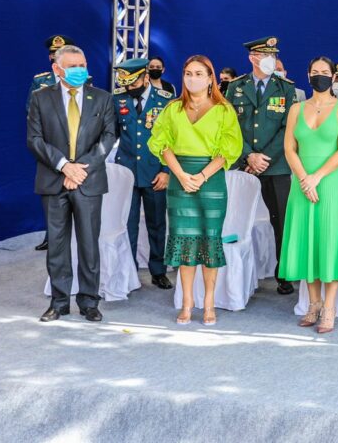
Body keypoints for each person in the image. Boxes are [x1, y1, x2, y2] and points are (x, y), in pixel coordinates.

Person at [149, 55, 242, 326]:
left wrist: (201, 176)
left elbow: (229, 150)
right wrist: (180, 175)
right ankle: (188, 301)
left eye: (199, 73)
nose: (193, 78)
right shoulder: (172, 108)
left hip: (210, 181)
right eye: (188, 73)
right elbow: (161, 143)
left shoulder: (225, 110)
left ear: (210, 77)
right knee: (184, 242)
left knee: (209, 242)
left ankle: (209, 302)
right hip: (180, 179)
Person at [28, 44, 115, 323]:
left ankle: (90, 302)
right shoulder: (40, 98)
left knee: (89, 244)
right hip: (54, 181)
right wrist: (65, 166)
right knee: (57, 245)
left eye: (83, 65)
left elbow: (108, 138)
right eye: (73, 66)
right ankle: (59, 302)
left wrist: (79, 170)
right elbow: (35, 140)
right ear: (57, 68)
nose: (80, 71)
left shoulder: (102, 98)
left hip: (88, 181)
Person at [280, 57, 338, 333]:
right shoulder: (296, 109)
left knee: (329, 241)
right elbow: (290, 148)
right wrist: (304, 178)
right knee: (308, 242)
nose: (320, 76)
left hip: (330, 182)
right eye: (315, 72)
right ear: (308, 75)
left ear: (333, 76)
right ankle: (313, 304)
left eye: (325, 72)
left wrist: (316, 177)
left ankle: (330, 307)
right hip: (301, 185)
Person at [226, 37, 300, 295]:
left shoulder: (286, 89)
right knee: (235, 218)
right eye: (264, 54)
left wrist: (262, 157)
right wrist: (248, 156)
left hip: (276, 165)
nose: (270, 58)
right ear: (252, 57)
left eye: (273, 54)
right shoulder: (235, 87)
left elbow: (288, 130)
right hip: (244, 164)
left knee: (282, 221)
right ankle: (233, 271)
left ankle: (285, 272)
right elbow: (230, 127)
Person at [112, 58, 174, 290]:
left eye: (133, 82)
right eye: (125, 84)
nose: (129, 87)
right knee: (128, 225)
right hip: (127, 172)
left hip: (155, 172)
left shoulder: (166, 101)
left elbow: (172, 140)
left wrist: (166, 171)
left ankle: (158, 270)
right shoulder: (117, 100)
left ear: (146, 77)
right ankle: (129, 271)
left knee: (157, 224)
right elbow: (113, 135)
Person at [28, 34, 82, 252]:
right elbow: (30, 113)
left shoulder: (82, 79)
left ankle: (77, 238)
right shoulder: (40, 81)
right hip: (50, 148)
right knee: (52, 195)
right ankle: (52, 236)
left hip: (77, 150)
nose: (54, 55)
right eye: (52, 53)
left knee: (78, 196)